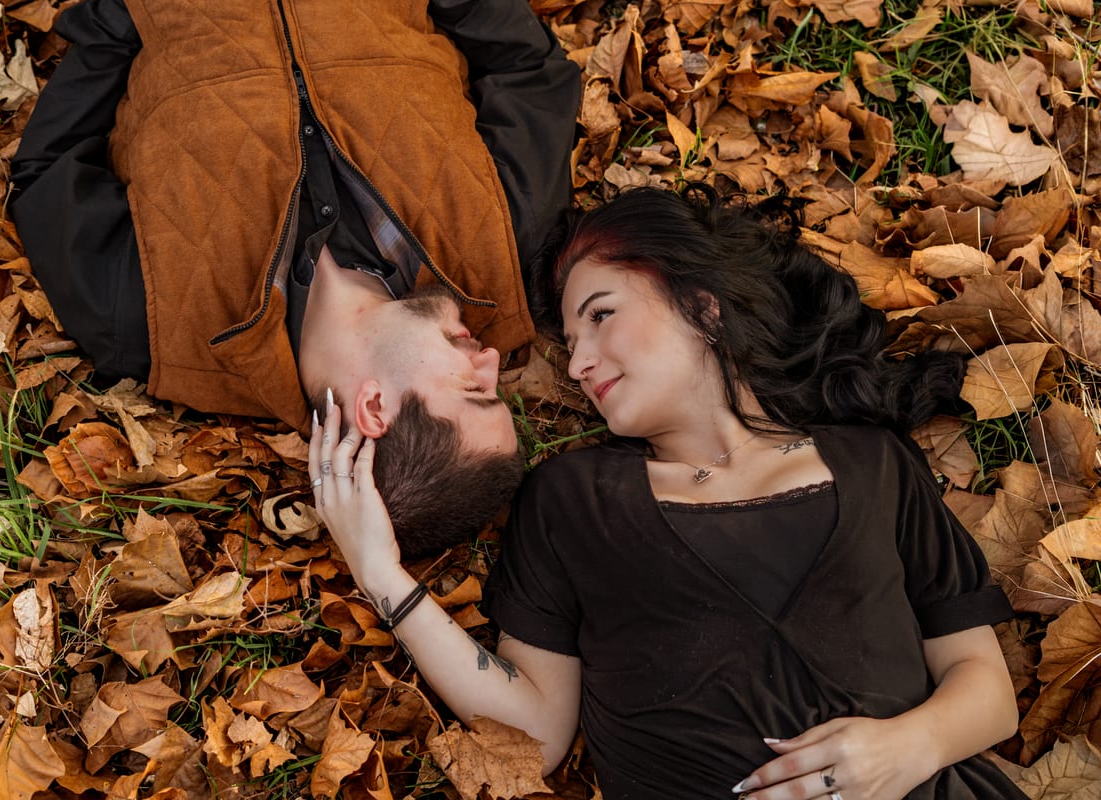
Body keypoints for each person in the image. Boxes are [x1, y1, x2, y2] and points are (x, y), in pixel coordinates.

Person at [310, 186, 1026, 799]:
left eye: (599, 315)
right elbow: (536, 735)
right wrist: (380, 574)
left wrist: (907, 749)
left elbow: (986, 688)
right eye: (569, 340)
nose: (582, 361)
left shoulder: (873, 466)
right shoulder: (572, 501)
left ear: (704, 308)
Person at [9, 0, 580, 554]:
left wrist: (126, 12)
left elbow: (47, 169)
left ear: (374, 410)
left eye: (474, 391)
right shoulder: (509, 245)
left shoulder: (149, 327)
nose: (492, 362)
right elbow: (529, 71)